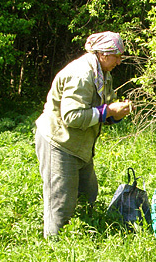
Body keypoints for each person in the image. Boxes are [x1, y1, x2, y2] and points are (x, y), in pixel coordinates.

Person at [35, 31, 132, 239]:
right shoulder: (82, 74)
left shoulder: (103, 74)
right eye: (116, 55)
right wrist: (109, 111)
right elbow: (71, 116)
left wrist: (116, 114)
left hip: (80, 144)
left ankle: (85, 237)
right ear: (103, 54)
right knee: (61, 203)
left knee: (88, 194)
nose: (119, 61)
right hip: (59, 142)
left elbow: (101, 110)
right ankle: (54, 249)